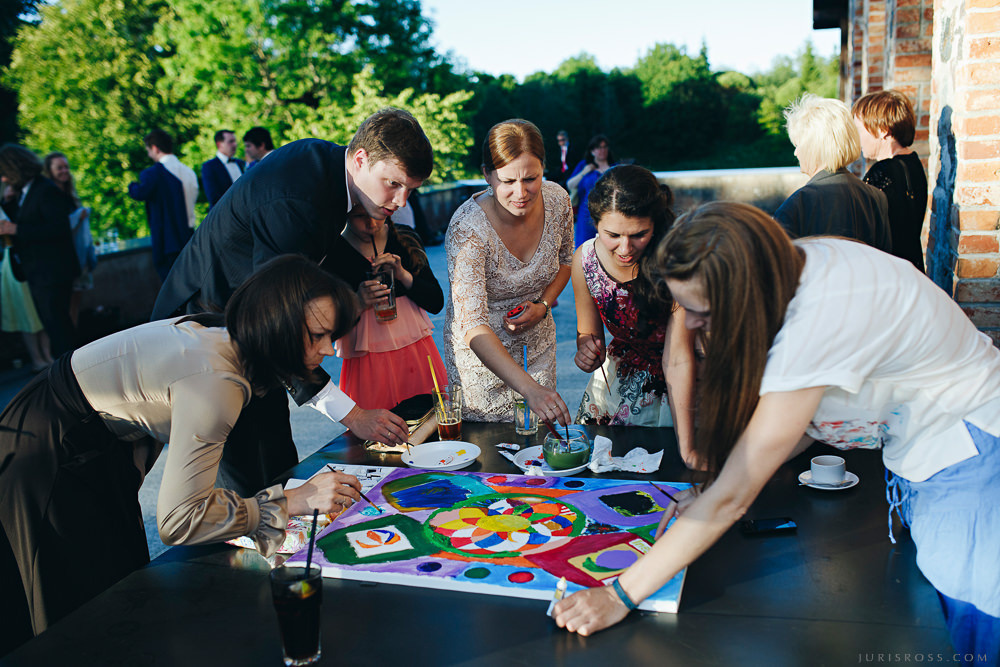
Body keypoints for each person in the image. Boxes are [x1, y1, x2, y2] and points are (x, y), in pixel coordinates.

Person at [553, 202, 1000, 663]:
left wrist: (619, 596)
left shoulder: (817, 318)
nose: (688, 323)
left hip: (970, 457)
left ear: (744, 291)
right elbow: (794, 425)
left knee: (978, 628)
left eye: (700, 309)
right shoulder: (791, 265)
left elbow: (734, 498)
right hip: (934, 451)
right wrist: (715, 485)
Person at [0, 255, 366, 653]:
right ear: (274, 324)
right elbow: (179, 520)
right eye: (317, 335)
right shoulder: (219, 380)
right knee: (83, 610)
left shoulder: (227, 336)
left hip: (81, 437)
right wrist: (293, 499)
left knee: (122, 588)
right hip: (49, 451)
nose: (329, 350)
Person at [152, 108, 433, 490]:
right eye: (393, 184)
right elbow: (275, 318)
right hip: (209, 327)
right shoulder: (297, 197)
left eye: (410, 190)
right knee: (246, 483)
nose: (401, 201)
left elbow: (318, 262)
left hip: (251, 329)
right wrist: (352, 414)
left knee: (280, 466)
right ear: (362, 158)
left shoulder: (331, 173)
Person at [444, 119, 573, 425]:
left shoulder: (558, 200)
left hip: (538, 345)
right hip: (481, 357)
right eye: (507, 181)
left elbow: (567, 261)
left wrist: (542, 306)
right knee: (491, 456)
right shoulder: (468, 229)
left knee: (540, 443)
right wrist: (531, 390)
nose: (521, 192)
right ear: (486, 174)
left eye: (531, 178)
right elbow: (472, 325)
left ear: (544, 168)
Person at [572, 165, 675, 426]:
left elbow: (683, 353)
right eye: (613, 235)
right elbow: (588, 335)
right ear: (596, 224)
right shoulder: (586, 260)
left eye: (639, 234)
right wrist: (586, 350)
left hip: (680, 380)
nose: (626, 248)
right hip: (619, 380)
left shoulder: (676, 256)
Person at [323, 205, 446, 411]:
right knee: (377, 432)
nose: (371, 224)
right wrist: (358, 301)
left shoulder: (404, 238)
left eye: (376, 214)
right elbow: (326, 327)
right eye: (360, 216)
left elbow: (435, 302)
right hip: (367, 357)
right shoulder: (334, 251)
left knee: (430, 418)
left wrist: (403, 275)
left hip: (414, 349)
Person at [774, 94, 891, 253]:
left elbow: (780, 270)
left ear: (813, 146)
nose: (796, 153)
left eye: (798, 144)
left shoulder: (797, 205)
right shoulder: (876, 198)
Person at [0, 144, 78, 357]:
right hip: (39, 271)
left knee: (59, 327)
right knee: (54, 326)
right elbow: (30, 218)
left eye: (5, 173)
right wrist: (8, 204)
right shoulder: (25, 192)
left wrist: (16, 229)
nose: (3, 179)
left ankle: (72, 374)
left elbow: (57, 228)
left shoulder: (45, 190)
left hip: (52, 271)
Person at [853, 89, 929, 272]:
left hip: (889, 272)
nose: (857, 138)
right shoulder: (914, 163)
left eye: (859, 130)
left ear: (882, 130)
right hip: (914, 268)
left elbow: (864, 231)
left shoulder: (882, 172)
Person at [127, 130, 199, 280]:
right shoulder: (189, 172)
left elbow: (140, 193)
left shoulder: (153, 174)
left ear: (155, 148)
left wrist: (131, 186)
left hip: (167, 242)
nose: (148, 155)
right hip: (190, 236)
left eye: (148, 151)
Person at [0, 187, 52, 372]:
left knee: (40, 310)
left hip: (29, 258)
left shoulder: (20, 198)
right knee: (25, 312)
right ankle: (37, 358)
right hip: (13, 262)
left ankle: (46, 354)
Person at [43, 152, 97, 328]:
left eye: (66, 167)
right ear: (50, 171)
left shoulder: (69, 195)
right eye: (60, 168)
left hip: (77, 257)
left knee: (75, 301)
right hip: (62, 259)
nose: (65, 171)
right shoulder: (49, 196)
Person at [566, 134, 617, 248]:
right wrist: (584, 171)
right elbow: (570, 184)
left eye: (604, 147)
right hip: (586, 215)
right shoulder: (584, 165)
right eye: (599, 147)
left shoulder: (614, 168)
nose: (602, 150)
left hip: (609, 214)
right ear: (592, 151)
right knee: (584, 248)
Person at [201, 129, 245, 208]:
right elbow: (213, 198)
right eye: (230, 142)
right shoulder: (209, 167)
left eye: (235, 141)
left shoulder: (241, 163)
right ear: (219, 144)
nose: (235, 144)